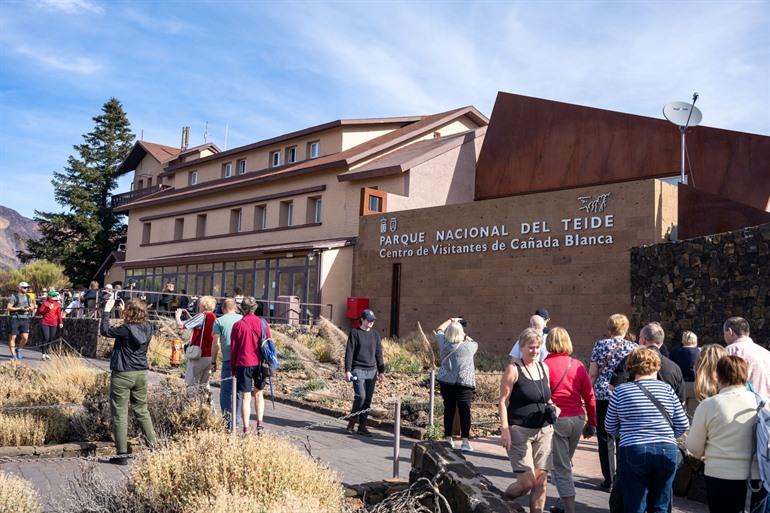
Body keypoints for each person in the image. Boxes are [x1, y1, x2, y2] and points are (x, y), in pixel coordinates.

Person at [605, 348, 688, 513]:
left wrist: (627, 434)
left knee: (635, 504)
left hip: (633, 449)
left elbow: (609, 426)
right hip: (667, 450)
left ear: (632, 367)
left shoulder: (621, 391)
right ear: (656, 367)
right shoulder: (668, 390)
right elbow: (683, 424)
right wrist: (668, 435)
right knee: (661, 505)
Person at [686, 355, 764, 513]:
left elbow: (694, 448)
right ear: (745, 375)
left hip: (720, 474)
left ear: (717, 375)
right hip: (756, 476)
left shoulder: (709, 405)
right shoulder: (761, 403)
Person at [499, 328, 558, 513]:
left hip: (544, 429)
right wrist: (505, 429)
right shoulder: (513, 370)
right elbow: (502, 401)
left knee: (541, 481)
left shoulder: (544, 367)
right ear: (521, 347)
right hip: (520, 430)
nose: (535, 351)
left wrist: (553, 406)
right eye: (531, 347)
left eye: (538, 347)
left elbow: (546, 397)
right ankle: (501, 500)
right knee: (526, 483)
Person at [544, 327, 597, 513]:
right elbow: (590, 397)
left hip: (558, 420)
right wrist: (592, 423)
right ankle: (560, 504)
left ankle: (570, 509)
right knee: (565, 462)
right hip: (577, 419)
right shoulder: (578, 365)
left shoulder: (544, 366)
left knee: (561, 467)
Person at [100, 297, 157, 465]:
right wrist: (123, 311)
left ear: (129, 313)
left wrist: (106, 310)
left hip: (123, 374)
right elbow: (135, 328)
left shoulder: (125, 329)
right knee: (142, 411)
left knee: (120, 414)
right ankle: (154, 447)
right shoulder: (149, 327)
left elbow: (105, 330)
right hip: (140, 374)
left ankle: (122, 455)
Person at [588, 313, 637, 491]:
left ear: (609, 328)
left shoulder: (600, 345)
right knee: (622, 436)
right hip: (624, 394)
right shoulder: (634, 347)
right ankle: (623, 477)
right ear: (625, 328)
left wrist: (587, 393)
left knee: (604, 436)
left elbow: (593, 373)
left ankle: (609, 479)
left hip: (602, 394)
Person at [610, 322, 685, 403]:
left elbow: (614, 386)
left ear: (643, 340)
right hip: (665, 414)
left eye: (639, 337)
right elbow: (681, 400)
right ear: (661, 342)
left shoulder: (630, 360)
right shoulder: (674, 368)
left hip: (634, 410)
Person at [435, 317, 478, 451]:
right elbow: (474, 342)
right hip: (464, 383)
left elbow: (439, 329)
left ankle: (449, 439)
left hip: (447, 382)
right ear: (462, 333)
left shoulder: (444, 343)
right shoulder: (470, 347)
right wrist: (465, 335)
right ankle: (465, 442)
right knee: (465, 411)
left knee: (449, 409)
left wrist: (451, 320)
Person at [230, 296, 271, 433]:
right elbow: (269, 342)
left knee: (246, 396)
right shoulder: (263, 323)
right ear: (255, 307)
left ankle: (246, 428)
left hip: (244, 363)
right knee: (259, 394)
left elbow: (234, 349)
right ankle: (260, 424)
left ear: (242, 308)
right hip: (260, 363)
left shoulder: (238, 325)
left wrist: (232, 368)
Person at [344, 309, 384, 437]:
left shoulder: (375, 335)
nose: (371, 322)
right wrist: (348, 371)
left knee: (367, 400)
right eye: (369, 320)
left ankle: (362, 426)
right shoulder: (355, 333)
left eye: (373, 320)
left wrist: (381, 371)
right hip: (358, 370)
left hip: (371, 371)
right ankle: (352, 422)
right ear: (362, 319)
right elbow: (349, 352)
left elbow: (379, 353)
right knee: (360, 397)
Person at [175, 295, 217, 392]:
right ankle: (205, 404)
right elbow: (200, 326)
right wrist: (190, 316)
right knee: (204, 385)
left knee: (191, 383)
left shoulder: (202, 316)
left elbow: (181, 326)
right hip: (209, 355)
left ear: (202, 305)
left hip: (199, 355)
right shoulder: (213, 317)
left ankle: (192, 404)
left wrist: (178, 316)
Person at [213, 298, 243, 429]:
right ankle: (235, 420)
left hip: (227, 359)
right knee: (238, 392)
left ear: (223, 308)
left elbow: (216, 344)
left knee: (225, 392)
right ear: (235, 308)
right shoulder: (242, 319)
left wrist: (213, 361)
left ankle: (227, 421)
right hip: (242, 359)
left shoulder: (219, 321)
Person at [723, 317, 770, 399]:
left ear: (730, 332)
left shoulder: (729, 351)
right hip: (766, 406)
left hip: (742, 405)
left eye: (724, 333)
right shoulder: (766, 353)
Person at [669, 331, 700, 417]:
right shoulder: (700, 352)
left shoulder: (675, 352)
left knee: (679, 413)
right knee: (693, 414)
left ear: (683, 340)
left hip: (680, 385)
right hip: (696, 384)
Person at [6, 281, 35, 360]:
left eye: (27, 288)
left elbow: (32, 307)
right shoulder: (14, 296)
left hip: (25, 318)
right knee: (13, 337)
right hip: (15, 318)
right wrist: (19, 308)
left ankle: (18, 349)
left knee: (25, 337)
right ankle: (14, 356)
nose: (26, 289)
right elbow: (9, 307)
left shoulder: (28, 297)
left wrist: (29, 308)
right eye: (25, 287)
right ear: (20, 288)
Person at [36, 289, 64, 360]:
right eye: (53, 295)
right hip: (45, 322)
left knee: (51, 338)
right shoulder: (45, 303)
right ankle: (43, 354)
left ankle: (47, 353)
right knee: (46, 337)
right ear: (49, 296)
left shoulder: (57, 304)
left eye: (55, 295)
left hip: (54, 323)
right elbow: (41, 312)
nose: (55, 297)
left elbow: (59, 314)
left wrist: (61, 322)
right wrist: (48, 309)